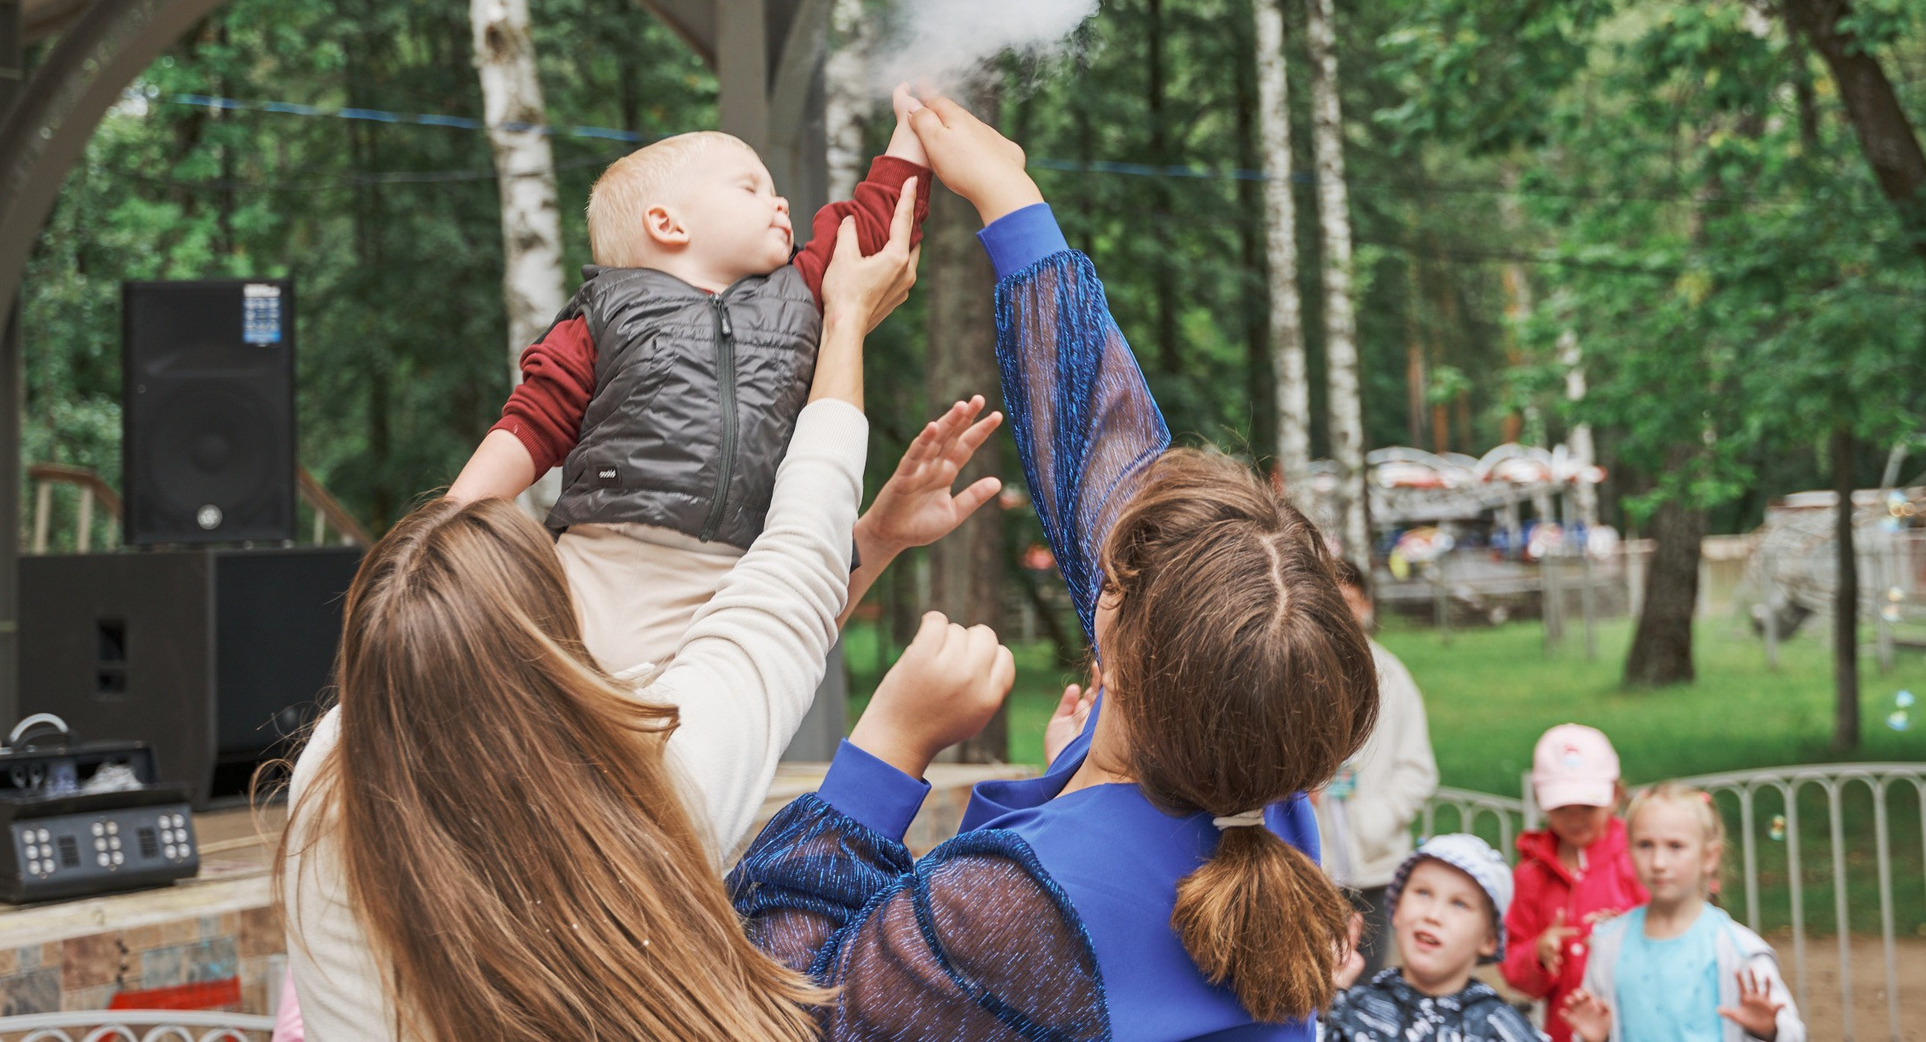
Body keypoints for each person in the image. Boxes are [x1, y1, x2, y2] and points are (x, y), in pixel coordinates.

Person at [727, 91, 1381, 1041]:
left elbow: (780, 1001)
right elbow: (1109, 473)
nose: (1102, 558)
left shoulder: (1006, 912)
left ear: (1121, 650)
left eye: (1112, 577)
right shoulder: (1257, 783)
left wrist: (886, 750)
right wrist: (1011, 202)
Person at [275, 189, 1002, 1042]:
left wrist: (872, 536)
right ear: (553, 647)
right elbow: (784, 592)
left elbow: (779, 607)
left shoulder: (329, 781)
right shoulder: (653, 787)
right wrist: (843, 320)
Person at [444, 115, 931, 672]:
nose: (781, 204)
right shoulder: (608, 310)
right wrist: (450, 519)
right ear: (667, 224)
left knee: (693, 733)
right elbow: (533, 423)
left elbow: (872, 227)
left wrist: (915, 128)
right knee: (556, 712)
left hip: (740, 575)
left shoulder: (799, 292)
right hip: (605, 560)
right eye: (751, 188)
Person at [1560, 784, 1802, 1042]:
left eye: (1675, 846)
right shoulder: (1608, 943)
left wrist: (1768, 1030)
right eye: (1645, 845)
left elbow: (1793, 1034)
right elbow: (1592, 1031)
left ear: (1709, 857)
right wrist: (1595, 1038)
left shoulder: (1738, 950)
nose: (1658, 863)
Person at [1320, 555, 1439, 970]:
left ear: (1367, 606)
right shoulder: (1293, 670)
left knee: (1365, 982)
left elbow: (1417, 770)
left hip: (1374, 867)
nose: (1342, 609)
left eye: (1350, 598)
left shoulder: (1392, 676)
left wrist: (1374, 822)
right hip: (1311, 865)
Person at [1504, 724, 1646, 1041]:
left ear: (1615, 796)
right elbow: (1512, 964)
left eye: (1587, 806)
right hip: (1565, 1028)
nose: (1575, 818)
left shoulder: (1638, 858)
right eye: (1561, 808)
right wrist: (1537, 954)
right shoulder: (1532, 874)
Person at [1325, 834, 1540, 1042]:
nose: (1433, 915)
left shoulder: (1500, 1027)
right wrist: (1331, 987)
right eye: (1423, 892)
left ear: (1488, 940)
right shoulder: (1355, 1009)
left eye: (1459, 904)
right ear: (1397, 908)